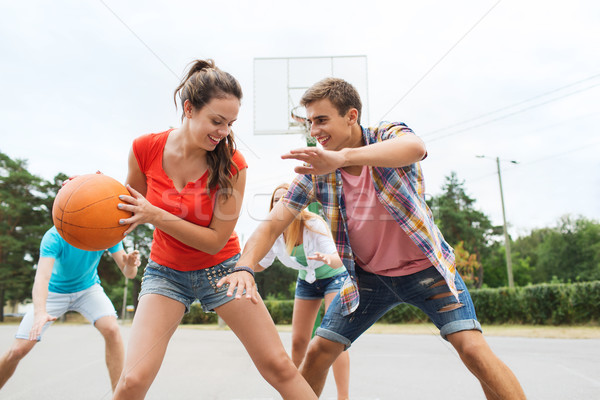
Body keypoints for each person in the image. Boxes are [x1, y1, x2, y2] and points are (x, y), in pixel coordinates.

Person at [218, 77, 527, 399]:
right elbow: (271, 225)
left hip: (426, 271)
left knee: (472, 349)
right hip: (368, 280)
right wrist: (244, 267)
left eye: (322, 120)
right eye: (310, 122)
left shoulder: (385, 135)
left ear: (351, 116)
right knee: (318, 352)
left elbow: (415, 148)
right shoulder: (317, 170)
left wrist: (344, 157)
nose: (315, 131)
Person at [112, 59, 317, 400]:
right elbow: (124, 209)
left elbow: (214, 241)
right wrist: (86, 195)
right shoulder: (144, 148)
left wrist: (155, 215)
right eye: (216, 121)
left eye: (230, 123)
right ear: (189, 109)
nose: (223, 131)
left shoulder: (233, 164)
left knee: (279, 366)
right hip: (166, 273)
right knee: (132, 381)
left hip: (223, 270)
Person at [0, 226, 140, 392]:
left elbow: (129, 273)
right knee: (17, 350)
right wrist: (40, 312)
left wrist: (130, 265)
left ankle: (119, 395)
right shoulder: (54, 236)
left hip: (88, 289)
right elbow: (42, 278)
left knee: (112, 329)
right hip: (54, 292)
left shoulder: (105, 230)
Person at [256, 183, 350, 400]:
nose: (281, 203)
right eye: (276, 200)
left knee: (334, 338)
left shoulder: (314, 223)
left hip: (334, 277)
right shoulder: (274, 230)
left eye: (285, 198)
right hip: (308, 282)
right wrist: (240, 266)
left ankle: (343, 397)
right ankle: (300, 394)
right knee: (299, 341)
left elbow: (338, 260)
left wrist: (328, 258)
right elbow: (263, 262)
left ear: (296, 201)